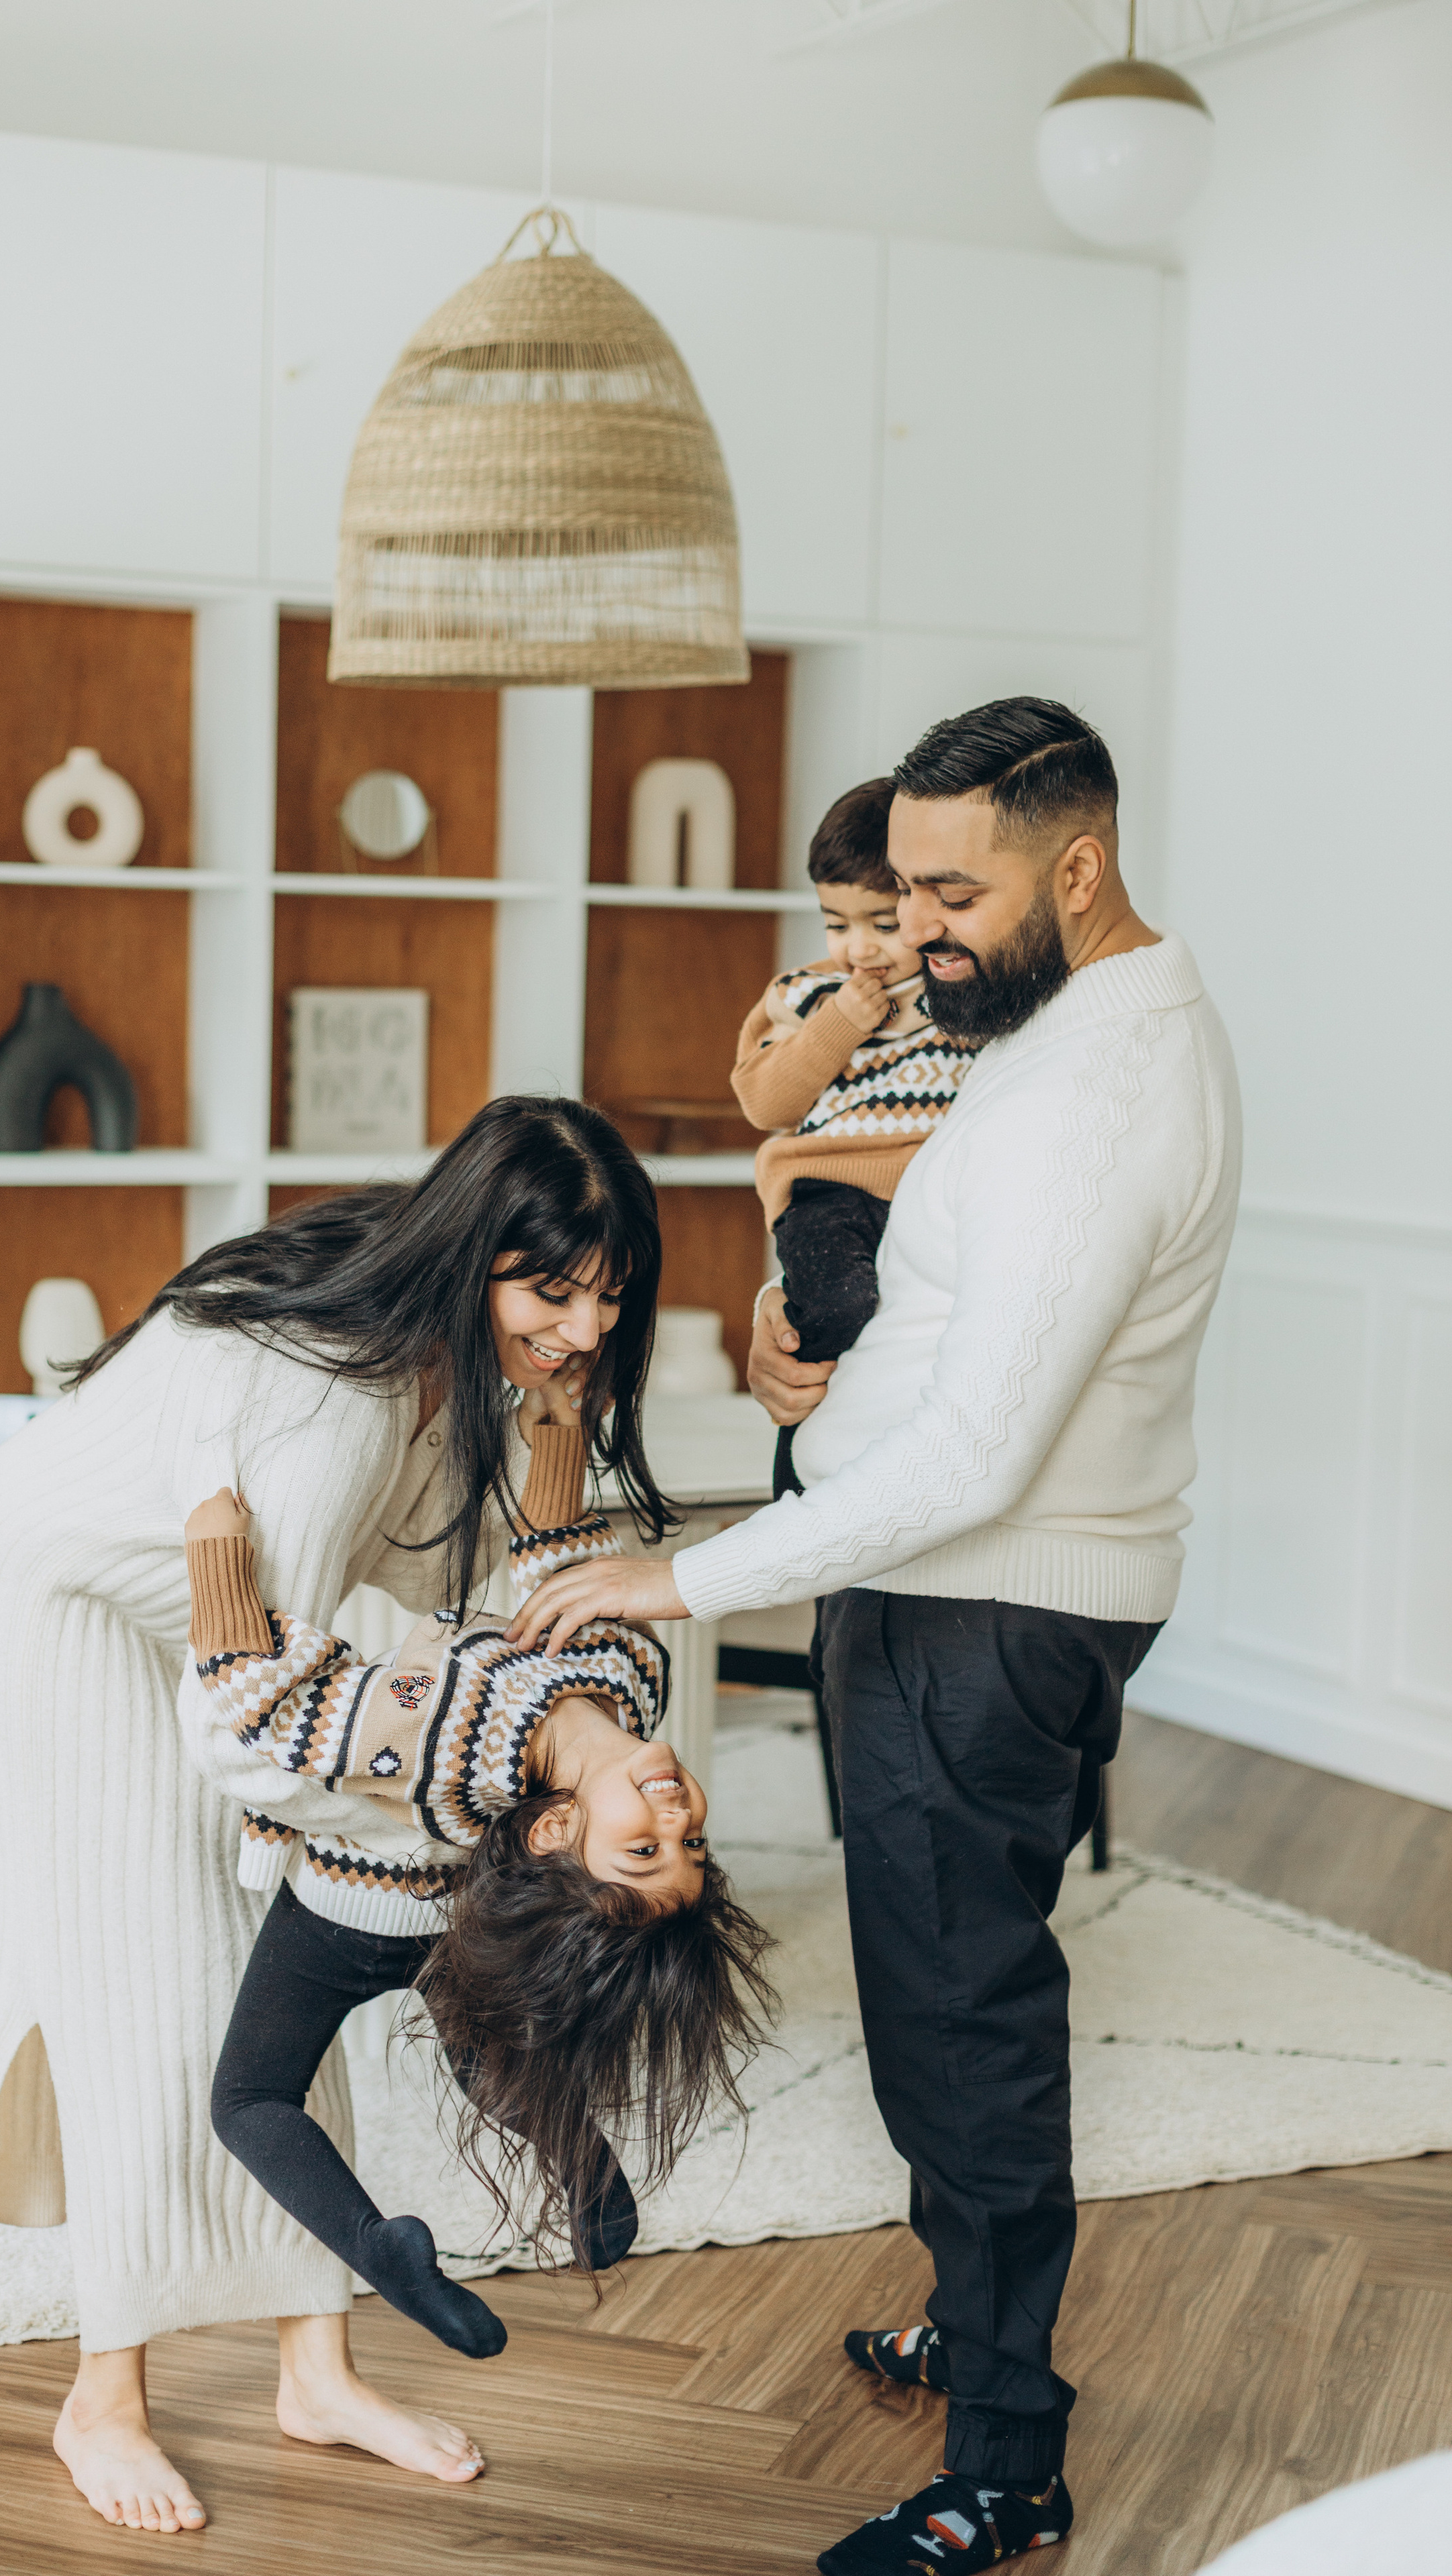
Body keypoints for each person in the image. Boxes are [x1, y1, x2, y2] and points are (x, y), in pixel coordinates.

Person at [509, 698, 1243, 2572]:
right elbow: (954, 1301)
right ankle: (967, 2327)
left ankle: (1005, 2463)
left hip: (981, 1604)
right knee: (933, 1993)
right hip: (940, 1589)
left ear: (1077, 866)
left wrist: (686, 1573)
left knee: (961, 2023)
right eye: (899, 888)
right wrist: (803, 1354)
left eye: (950, 893)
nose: (914, 930)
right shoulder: (1057, 1023)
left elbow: (985, 1454)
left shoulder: (1097, 1093)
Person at [0, 1096, 676, 2536]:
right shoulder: (332, 1406)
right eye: (553, 1293)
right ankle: (103, 2398)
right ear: (475, 1256)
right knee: (152, 1992)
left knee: (273, 1963)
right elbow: (266, 1701)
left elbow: (469, 1588)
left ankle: (316, 2371)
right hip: (70, 1600)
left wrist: (556, 1482)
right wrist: (421, 1791)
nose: (583, 1331)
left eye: (610, 1298)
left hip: (225, 1628)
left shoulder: (465, 1349)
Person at [186, 1444, 773, 2364]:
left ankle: (381, 2251)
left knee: (249, 2099)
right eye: (688, 1846)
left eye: (643, 1850)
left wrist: (215, 1553)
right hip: (460, 1922)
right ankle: (585, 2167)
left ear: (552, 1830)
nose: (678, 1820)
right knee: (485, 2057)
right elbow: (566, 1576)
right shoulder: (631, 1681)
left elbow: (274, 1712)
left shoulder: (439, 1731)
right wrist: (560, 1435)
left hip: (344, 1915)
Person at [729, 776, 981, 1497]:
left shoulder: (960, 991)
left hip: (925, 1198)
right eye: (836, 924)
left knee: (911, 1334)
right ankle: (796, 1474)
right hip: (828, 1190)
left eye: (880, 923)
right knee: (836, 1309)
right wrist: (838, 1024)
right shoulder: (806, 994)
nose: (858, 948)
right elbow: (763, 1101)